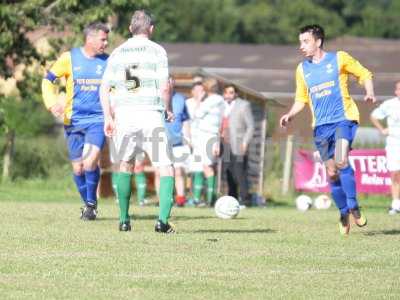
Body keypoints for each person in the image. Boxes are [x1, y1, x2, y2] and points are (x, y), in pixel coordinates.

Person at [279, 24, 376, 235]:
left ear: (318, 41)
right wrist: (290, 114)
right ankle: (343, 212)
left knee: (342, 161)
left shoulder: (339, 58)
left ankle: (353, 205)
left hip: (344, 119)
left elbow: (364, 73)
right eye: (300, 42)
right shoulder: (302, 69)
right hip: (321, 127)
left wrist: (369, 91)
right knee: (332, 173)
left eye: (305, 41)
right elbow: (301, 99)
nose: (301, 46)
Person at [100, 10, 175, 233]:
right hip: (150, 112)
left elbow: (104, 88)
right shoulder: (157, 51)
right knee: (166, 166)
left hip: (125, 113)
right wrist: (168, 109)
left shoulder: (118, 52)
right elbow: (164, 86)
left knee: (125, 163)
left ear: (130, 29)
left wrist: (108, 116)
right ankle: (162, 222)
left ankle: (124, 220)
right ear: (151, 29)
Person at [42, 23, 109, 221]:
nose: (106, 43)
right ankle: (90, 205)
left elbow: (119, 88)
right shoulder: (69, 58)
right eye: (102, 39)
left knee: (89, 162)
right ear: (90, 39)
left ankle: (90, 204)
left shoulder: (109, 62)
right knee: (78, 168)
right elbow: (48, 81)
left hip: (97, 120)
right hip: (73, 121)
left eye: (107, 40)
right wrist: (52, 103)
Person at [192, 78, 225, 206]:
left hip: (206, 136)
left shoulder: (211, 100)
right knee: (203, 166)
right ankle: (200, 199)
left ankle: (209, 199)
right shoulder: (221, 101)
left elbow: (197, 114)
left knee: (207, 167)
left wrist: (200, 100)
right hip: (210, 136)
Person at [221, 84, 254, 207]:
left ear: (236, 94)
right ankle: (232, 199)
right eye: (226, 92)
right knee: (228, 173)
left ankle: (246, 200)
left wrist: (245, 141)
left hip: (239, 144)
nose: (228, 95)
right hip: (225, 145)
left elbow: (250, 126)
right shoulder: (222, 106)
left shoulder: (243, 105)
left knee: (240, 172)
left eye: (231, 92)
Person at [370, 81, 400, 215]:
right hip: (394, 144)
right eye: (398, 89)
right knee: (395, 173)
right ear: (396, 91)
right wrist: (382, 130)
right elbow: (374, 116)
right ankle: (395, 205)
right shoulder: (390, 104)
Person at [163, 76, 191, 206]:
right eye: (167, 81)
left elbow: (185, 120)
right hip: (159, 141)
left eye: (171, 81)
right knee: (161, 172)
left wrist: (188, 139)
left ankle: (180, 199)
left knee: (179, 171)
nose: (169, 83)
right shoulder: (157, 98)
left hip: (178, 142)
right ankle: (162, 199)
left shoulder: (180, 99)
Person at [186, 81, 206, 205]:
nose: (199, 93)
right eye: (197, 90)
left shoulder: (207, 104)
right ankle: (183, 197)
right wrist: (188, 140)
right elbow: (189, 119)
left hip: (203, 140)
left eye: (202, 91)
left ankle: (197, 198)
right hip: (188, 140)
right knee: (186, 171)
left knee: (199, 169)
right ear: (192, 92)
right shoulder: (187, 103)